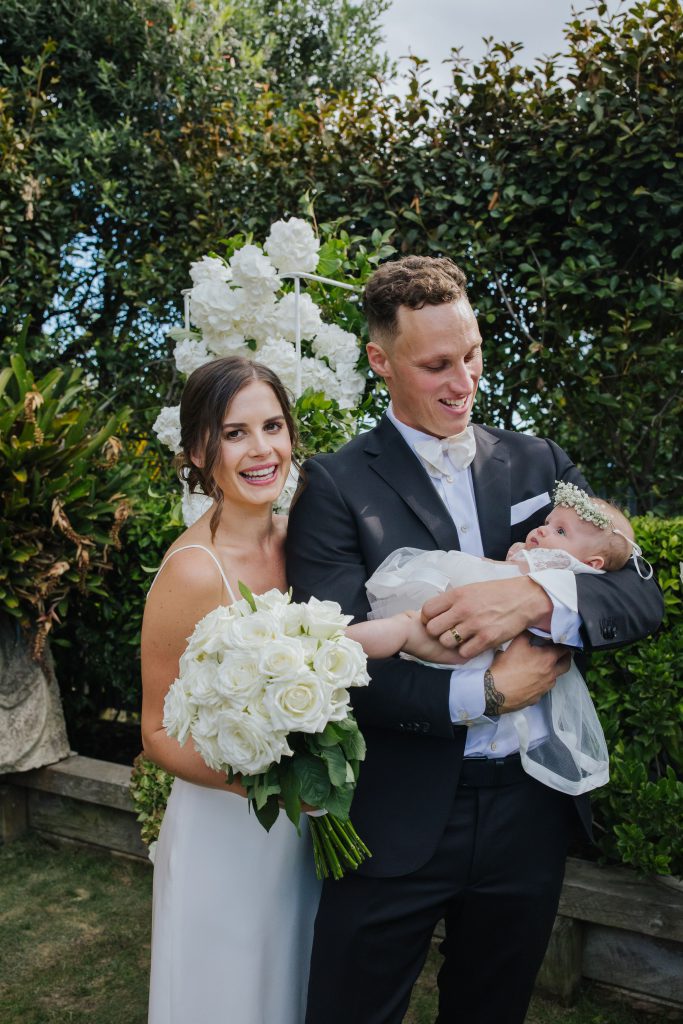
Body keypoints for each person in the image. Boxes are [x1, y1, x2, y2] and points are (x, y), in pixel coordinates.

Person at [285, 255, 663, 1024]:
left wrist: (531, 595)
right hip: (396, 811)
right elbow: (333, 658)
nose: (464, 382)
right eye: (436, 366)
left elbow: (637, 589)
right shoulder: (333, 485)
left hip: (529, 811)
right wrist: (481, 693)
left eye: (472, 354)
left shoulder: (538, 462)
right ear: (380, 361)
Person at [141, 354, 461, 1024]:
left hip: (306, 829)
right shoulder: (192, 572)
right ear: (197, 450)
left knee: (305, 990)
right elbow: (157, 733)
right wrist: (275, 785)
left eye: (273, 426)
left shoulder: (306, 540)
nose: (262, 450)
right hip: (229, 827)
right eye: (234, 433)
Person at [365, 485, 653, 797]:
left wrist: (536, 599)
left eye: (560, 531)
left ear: (593, 564)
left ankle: (346, 641)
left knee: (408, 629)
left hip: (526, 774)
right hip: (421, 768)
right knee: (408, 627)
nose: (542, 530)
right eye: (547, 522)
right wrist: (478, 692)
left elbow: (635, 587)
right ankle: (338, 642)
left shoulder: (565, 566)